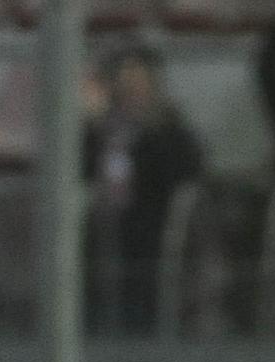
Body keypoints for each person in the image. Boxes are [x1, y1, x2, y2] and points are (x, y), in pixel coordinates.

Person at [84, 44, 206, 335]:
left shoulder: (171, 131)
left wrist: (139, 140)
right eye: (124, 86)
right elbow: (81, 168)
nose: (131, 94)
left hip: (154, 226)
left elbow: (181, 174)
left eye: (137, 85)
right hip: (106, 224)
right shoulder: (103, 129)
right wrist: (96, 127)